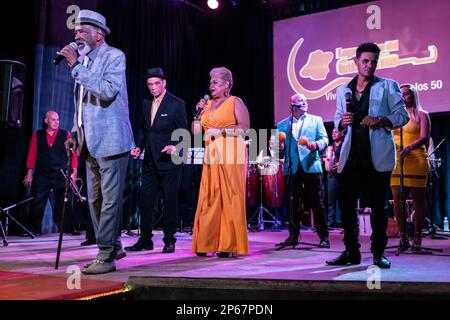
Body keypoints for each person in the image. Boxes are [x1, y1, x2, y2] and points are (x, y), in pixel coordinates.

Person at [58, 9, 135, 274]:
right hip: (89, 142)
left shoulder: (114, 56)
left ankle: (105, 256)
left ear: (98, 34)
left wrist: (76, 67)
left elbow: (106, 91)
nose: (77, 35)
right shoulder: (84, 63)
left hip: (112, 140)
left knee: (110, 200)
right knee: (95, 200)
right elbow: (82, 107)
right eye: (75, 31)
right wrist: (74, 133)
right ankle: (113, 245)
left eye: (82, 31)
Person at [326, 42, 409, 269]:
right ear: (356, 62)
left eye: (373, 61)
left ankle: (378, 253)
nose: (369, 65)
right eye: (365, 61)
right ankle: (351, 251)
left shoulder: (388, 86)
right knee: (347, 204)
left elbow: (402, 116)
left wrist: (381, 119)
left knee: (378, 207)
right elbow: (337, 119)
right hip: (350, 155)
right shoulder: (343, 89)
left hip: (377, 155)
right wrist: (341, 124)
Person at [125, 67, 187, 254]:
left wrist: (175, 146)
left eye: (156, 83)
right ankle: (145, 240)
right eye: (150, 84)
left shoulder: (176, 103)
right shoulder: (146, 103)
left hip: (170, 161)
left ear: (164, 83)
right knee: (145, 201)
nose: (153, 87)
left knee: (169, 202)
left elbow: (184, 132)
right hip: (150, 161)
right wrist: (139, 147)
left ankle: (169, 240)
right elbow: (147, 131)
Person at [191, 67, 250, 258]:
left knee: (230, 197)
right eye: (210, 82)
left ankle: (228, 244)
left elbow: (244, 128)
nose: (211, 85)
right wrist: (198, 113)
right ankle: (206, 242)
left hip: (232, 152)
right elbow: (195, 132)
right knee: (209, 198)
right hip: (212, 155)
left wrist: (221, 131)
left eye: (215, 82)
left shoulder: (235, 101)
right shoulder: (206, 105)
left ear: (226, 85)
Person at [275, 93, 330, 249]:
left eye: (305, 101)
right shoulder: (282, 125)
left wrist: (315, 145)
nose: (304, 103)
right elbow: (276, 150)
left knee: (316, 202)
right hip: (292, 167)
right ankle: (293, 236)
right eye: (300, 101)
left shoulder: (316, 120)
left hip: (311, 165)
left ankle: (324, 237)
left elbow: (325, 140)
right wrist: (278, 148)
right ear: (292, 105)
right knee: (293, 202)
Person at [23, 111, 78, 236]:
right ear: (46, 120)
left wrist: (74, 171)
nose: (56, 122)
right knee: (38, 201)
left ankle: (69, 228)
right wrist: (29, 172)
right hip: (43, 174)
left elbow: (73, 154)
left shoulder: (65, 134)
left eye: (58, 119)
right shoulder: (38, 134)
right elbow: (32, 154)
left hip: (60, 174)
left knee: (65, 202)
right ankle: (34, 229)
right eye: (53, 119)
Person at [390, 84, 430, 250]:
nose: (404, 97)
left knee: (418, 200)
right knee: (397, 198)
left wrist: (410, 147)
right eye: (401, 94)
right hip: (397, 160)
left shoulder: (422, 114)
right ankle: (403, 236)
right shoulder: (396, 116)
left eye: (407, 94)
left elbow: (424, 137)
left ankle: (418, 236)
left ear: (413, 95)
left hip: (416, 158)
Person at [324, 128, 344, 228]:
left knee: (342, 199)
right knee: (331, 199)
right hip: (331, 175)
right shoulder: (329, 147)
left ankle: (340, 221)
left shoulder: (345, 145)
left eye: (336, 132)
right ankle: (330, 221)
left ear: (342, 133)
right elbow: (324, 158)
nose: (334, 134)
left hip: (342, 175)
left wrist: (341, 163)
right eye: (332, 132)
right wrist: (325, 160)